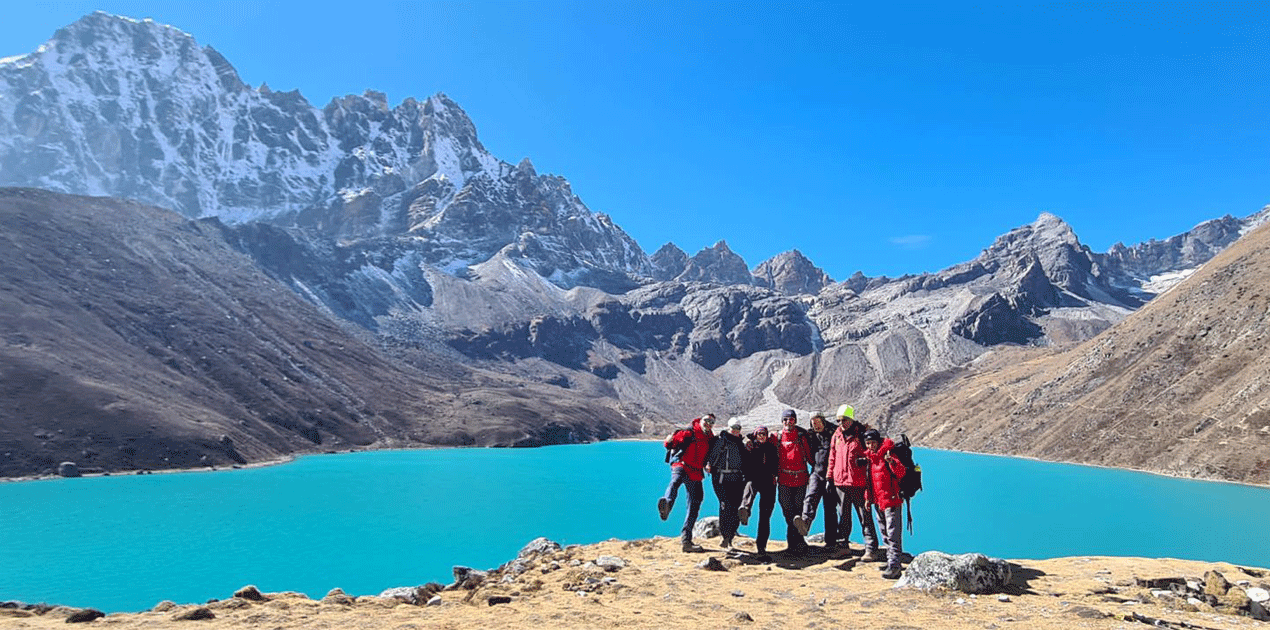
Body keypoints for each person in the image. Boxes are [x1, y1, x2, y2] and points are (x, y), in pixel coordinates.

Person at [826, 404, 880, 560]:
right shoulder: (836, 435)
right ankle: (843, 547)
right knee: (843, 516)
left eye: (844, 420)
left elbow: (872, 452)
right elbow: (832, 457)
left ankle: (871, 548)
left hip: (858, 483)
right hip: (840, 483)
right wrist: (830, 477)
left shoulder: (862, 434)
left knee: (865, 516)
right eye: (838, 420)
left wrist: (865, 460)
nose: (841, 423)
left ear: (851, 419)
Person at [659, 414, 716, 552]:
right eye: (706, 420)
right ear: (700, 421)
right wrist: (668, 440)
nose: (708, 424)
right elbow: (669, 444)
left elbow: (710, 454)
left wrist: (708, 465)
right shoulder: (689, 432)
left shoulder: (710, 438)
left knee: (695, 504)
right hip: (682, 465)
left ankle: (686, 540)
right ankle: (666, 504)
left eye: (711, 422)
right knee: (675, 481)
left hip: (696, 472)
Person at [863, 428, 907, 579]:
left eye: (872, 443)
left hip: (891, 500)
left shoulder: (888, 453)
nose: (870, 446)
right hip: (878, 501)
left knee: (893, 534)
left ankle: (895, 566)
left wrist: (892, 462)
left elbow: (901, 473)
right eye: (868, 443)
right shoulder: (870, 458)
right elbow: (869, 481)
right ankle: (891, 561)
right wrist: (868, 498)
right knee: (885, 533)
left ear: (878, 441)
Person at [792, 411, 839, 549]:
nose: (816, 426)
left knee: (830, 508)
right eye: (813, 424)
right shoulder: (810, 435)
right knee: (810, 497)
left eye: (818, 423)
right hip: (816, 473)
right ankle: (805, 523)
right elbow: (796, 432)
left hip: (832, 475)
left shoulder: (834, 432)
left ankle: (831, 542)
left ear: (823, 421)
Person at [774, 409, 813, 555]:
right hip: (784, 480)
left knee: (797, 512)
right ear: (782, 421)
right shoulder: (777, 437)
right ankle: (797, 543)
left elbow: (809, 456)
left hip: (801, 480)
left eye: (791, 419)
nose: (788, 422)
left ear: (795, 421)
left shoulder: (802, 436)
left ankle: (795, 545)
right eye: (785, 419)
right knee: (789, 512)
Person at [739, 424, 778, 561]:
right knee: (749, 488)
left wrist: (776, 475)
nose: (762, 436)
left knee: (765, 517)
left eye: (764, 434)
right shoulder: (750, 447)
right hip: (754, 478)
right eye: (759, 434)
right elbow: (742, 460)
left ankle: (761, 547)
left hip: (768, 482)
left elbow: (776, 464)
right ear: (755, 435)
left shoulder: (772, 448)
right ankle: (745, 510)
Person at [706, 417, 747, 549]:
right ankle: (725, 536)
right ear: (729, 428)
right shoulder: (720, 441)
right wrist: (708, 466)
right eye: (733, 428)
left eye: (738, 429)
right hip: (721, 479)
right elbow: (711, 457)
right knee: (725, 506)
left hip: (737, 480)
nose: (735, 431)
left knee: (736, 509)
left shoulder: (741, 444)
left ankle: (730, 537)